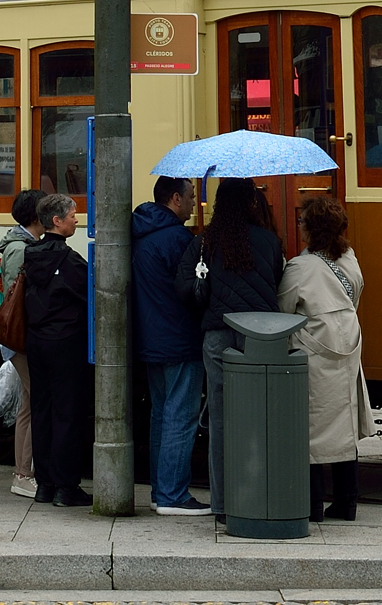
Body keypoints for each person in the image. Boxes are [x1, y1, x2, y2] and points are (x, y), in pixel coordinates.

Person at [278, 195, 370, 523]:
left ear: (312, 228)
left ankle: (313, 503)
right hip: (347, 345)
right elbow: (356, 293)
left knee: (311, 426)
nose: (299, 225)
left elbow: (283, 310)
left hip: (314, 350)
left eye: (302, 220)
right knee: (344, 424)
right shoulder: (349, 258)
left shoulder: (300, 268)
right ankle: (347, 501)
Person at [198, 176, 284, 523]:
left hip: (218, 334)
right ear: (251, 202)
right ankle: (257, 496)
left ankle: (221, 504)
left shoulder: (208, 241)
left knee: (220, 419)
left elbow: (191, 286)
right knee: (259, 417)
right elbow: (277, 281)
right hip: (259, 336)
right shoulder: (269, 241)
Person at [132, 175, 208, 515]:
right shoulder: (178, 239)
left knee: (162, 415)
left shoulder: (141, 233)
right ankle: (172, 495)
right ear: (175, 198)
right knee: (181, 417)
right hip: (180, 338)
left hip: (151, 338)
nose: (194, 203)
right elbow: (193, 290)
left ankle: (160, 490)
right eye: (191, 197)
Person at [21, 192, 91, 506]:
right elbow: (90, 294)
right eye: (73, 215)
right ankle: (66, 486)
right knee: (67, 413)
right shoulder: (70, 260)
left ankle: (44, 484)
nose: (77, 220)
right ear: (57, 221)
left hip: (36, 340)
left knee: (42, 410)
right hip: (65, 341)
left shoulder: (32, 255)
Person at [0, 188, 42, 499]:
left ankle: (23, 472)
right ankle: (23, 474)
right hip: (20, 338)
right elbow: (17, 296)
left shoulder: (21, 244)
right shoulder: (20, 250)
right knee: (34, 400)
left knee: (28, 402)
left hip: (20, 338)